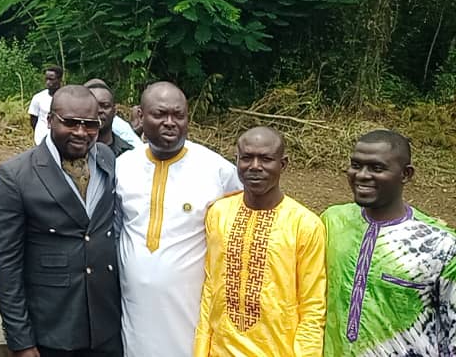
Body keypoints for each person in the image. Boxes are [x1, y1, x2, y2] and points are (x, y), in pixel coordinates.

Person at [0, 85, 122, 357]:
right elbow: (6, 263)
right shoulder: (15, 175)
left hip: (105, 327)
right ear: (50, 120)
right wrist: (21, 340)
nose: (80, 132)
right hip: (52, 329)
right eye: (70, 122)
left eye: (89, 124)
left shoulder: (107, 160)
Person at [116, 81, 242, 357]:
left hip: (189, 310)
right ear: (140, 116)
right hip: (134, 310)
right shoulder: (122, 166)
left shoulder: (217, 170)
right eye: (159, 115)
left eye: (179, 115)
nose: (170, 123)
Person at [194, 127, 326, 357]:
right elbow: (210, 289)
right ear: (236, 161)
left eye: (266, 159)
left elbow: (313, 307)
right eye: (246, 158)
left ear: (283, 165)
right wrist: (201, 349)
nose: (255, 166)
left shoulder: (305, 224)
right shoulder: (219, 213)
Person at [322, 130, 456, 356]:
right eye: (356, 165)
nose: (362, 175)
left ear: (406, 174)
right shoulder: (332, 221)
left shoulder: (440, 245)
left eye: (376, 168)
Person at [84, 80, 136, 158]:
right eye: (92, 105)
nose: (99, 110)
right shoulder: (71, 150)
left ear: (114, 111)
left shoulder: (130, 154)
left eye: (105, 106)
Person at [28, 65, 63, 145]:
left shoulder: (66, 98)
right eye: (46, 79)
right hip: (41, 138)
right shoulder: (38, 97)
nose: (48, 82)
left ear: (59, 80)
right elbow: (33, 119)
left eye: (51, 79)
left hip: (60, 139)